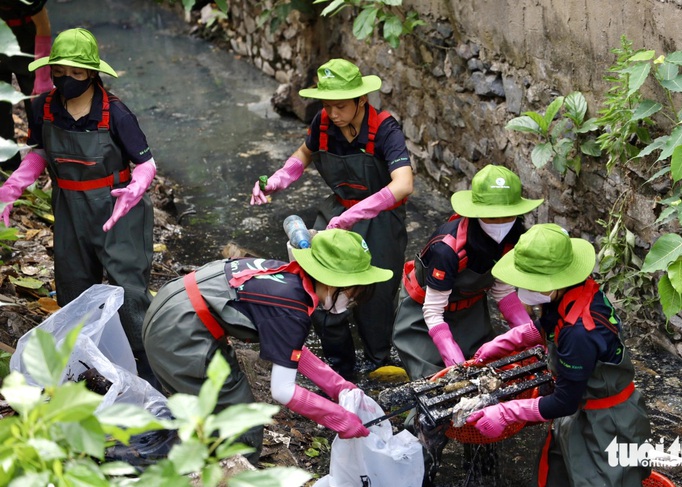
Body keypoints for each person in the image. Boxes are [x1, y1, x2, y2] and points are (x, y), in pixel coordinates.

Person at [141, 229, 393, 463]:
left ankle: (200, 454)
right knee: (242, 421)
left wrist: (336, 385)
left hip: (172, 304)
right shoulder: (292, 311)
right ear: (331, 282)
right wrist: (338, 418)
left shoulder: (289, 275)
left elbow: (286, 344)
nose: (352, 301)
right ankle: (232, 473)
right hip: (177, 332)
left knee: (220, 408)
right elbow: (282, 391)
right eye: (352, 292)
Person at [0, 28, 158, 385]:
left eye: (76, 73)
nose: (66, 80)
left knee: (129, 291)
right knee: (74, 288)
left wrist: (136, 188)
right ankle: (88, 364)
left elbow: (146, 163)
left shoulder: (116, 113)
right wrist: (12, 187)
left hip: (118, 210)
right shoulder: (43, 108)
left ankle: (148, 369)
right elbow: (39, 152)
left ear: (92, 73)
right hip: (69, 208)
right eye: (60, 72)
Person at [250, 58, 413, 380]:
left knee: (376, 293)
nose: (333, 114)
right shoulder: (324, 123)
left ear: (361, 100)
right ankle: (340, 363)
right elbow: (304, 154)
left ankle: (377, 359)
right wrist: (279, 179)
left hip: (379, 216)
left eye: (340, 106)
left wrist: (356, 213)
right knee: (321, 282)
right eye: (327, 106)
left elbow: (404, 183)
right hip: (337, 210)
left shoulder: (384, 129)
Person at [467, 223, 651, 486]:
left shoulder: (579, 334)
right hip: (580, 410)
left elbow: (563, 401)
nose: (522, 289)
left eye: (529, 283)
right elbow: (554, 321)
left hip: (607, 425)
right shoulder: (574, 289)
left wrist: (508, 412)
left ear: (551, 282)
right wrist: (514, 338)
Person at [392, 164, 543, 380]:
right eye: (492, 217)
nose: (500, 224)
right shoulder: (447, 249)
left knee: (486, 372)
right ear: (476, 212)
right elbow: (433, 311)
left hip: (471, 311)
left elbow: (502, 291)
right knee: (438, 382)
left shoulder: (514, 239)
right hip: (424, 314)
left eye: (508, 216)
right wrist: (454, 360)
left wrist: (532, 336)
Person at [0, 0, 52, 171]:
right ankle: (8, 172)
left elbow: (43, 26)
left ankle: (47, 162)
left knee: (39, 109)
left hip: (28, 41)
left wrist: (43, 75)